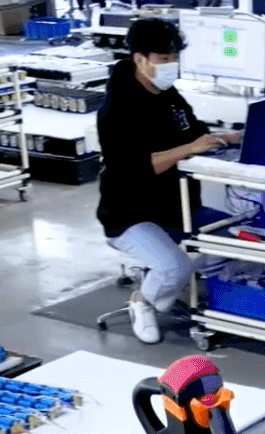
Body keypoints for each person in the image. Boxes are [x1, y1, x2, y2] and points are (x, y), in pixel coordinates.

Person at [95, 18, 240, 344]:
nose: (171, 64)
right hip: (130, 214)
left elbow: (193, 130)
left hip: (179, 207)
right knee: (174, 266)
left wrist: (226, 137)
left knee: (234, 241)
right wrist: (189, 149)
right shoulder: (116, 111)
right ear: (140, 59)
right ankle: (143, 302)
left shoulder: (166, 94)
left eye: (174, 57)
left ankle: (177, 287)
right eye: (163, 58)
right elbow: (137, 168)